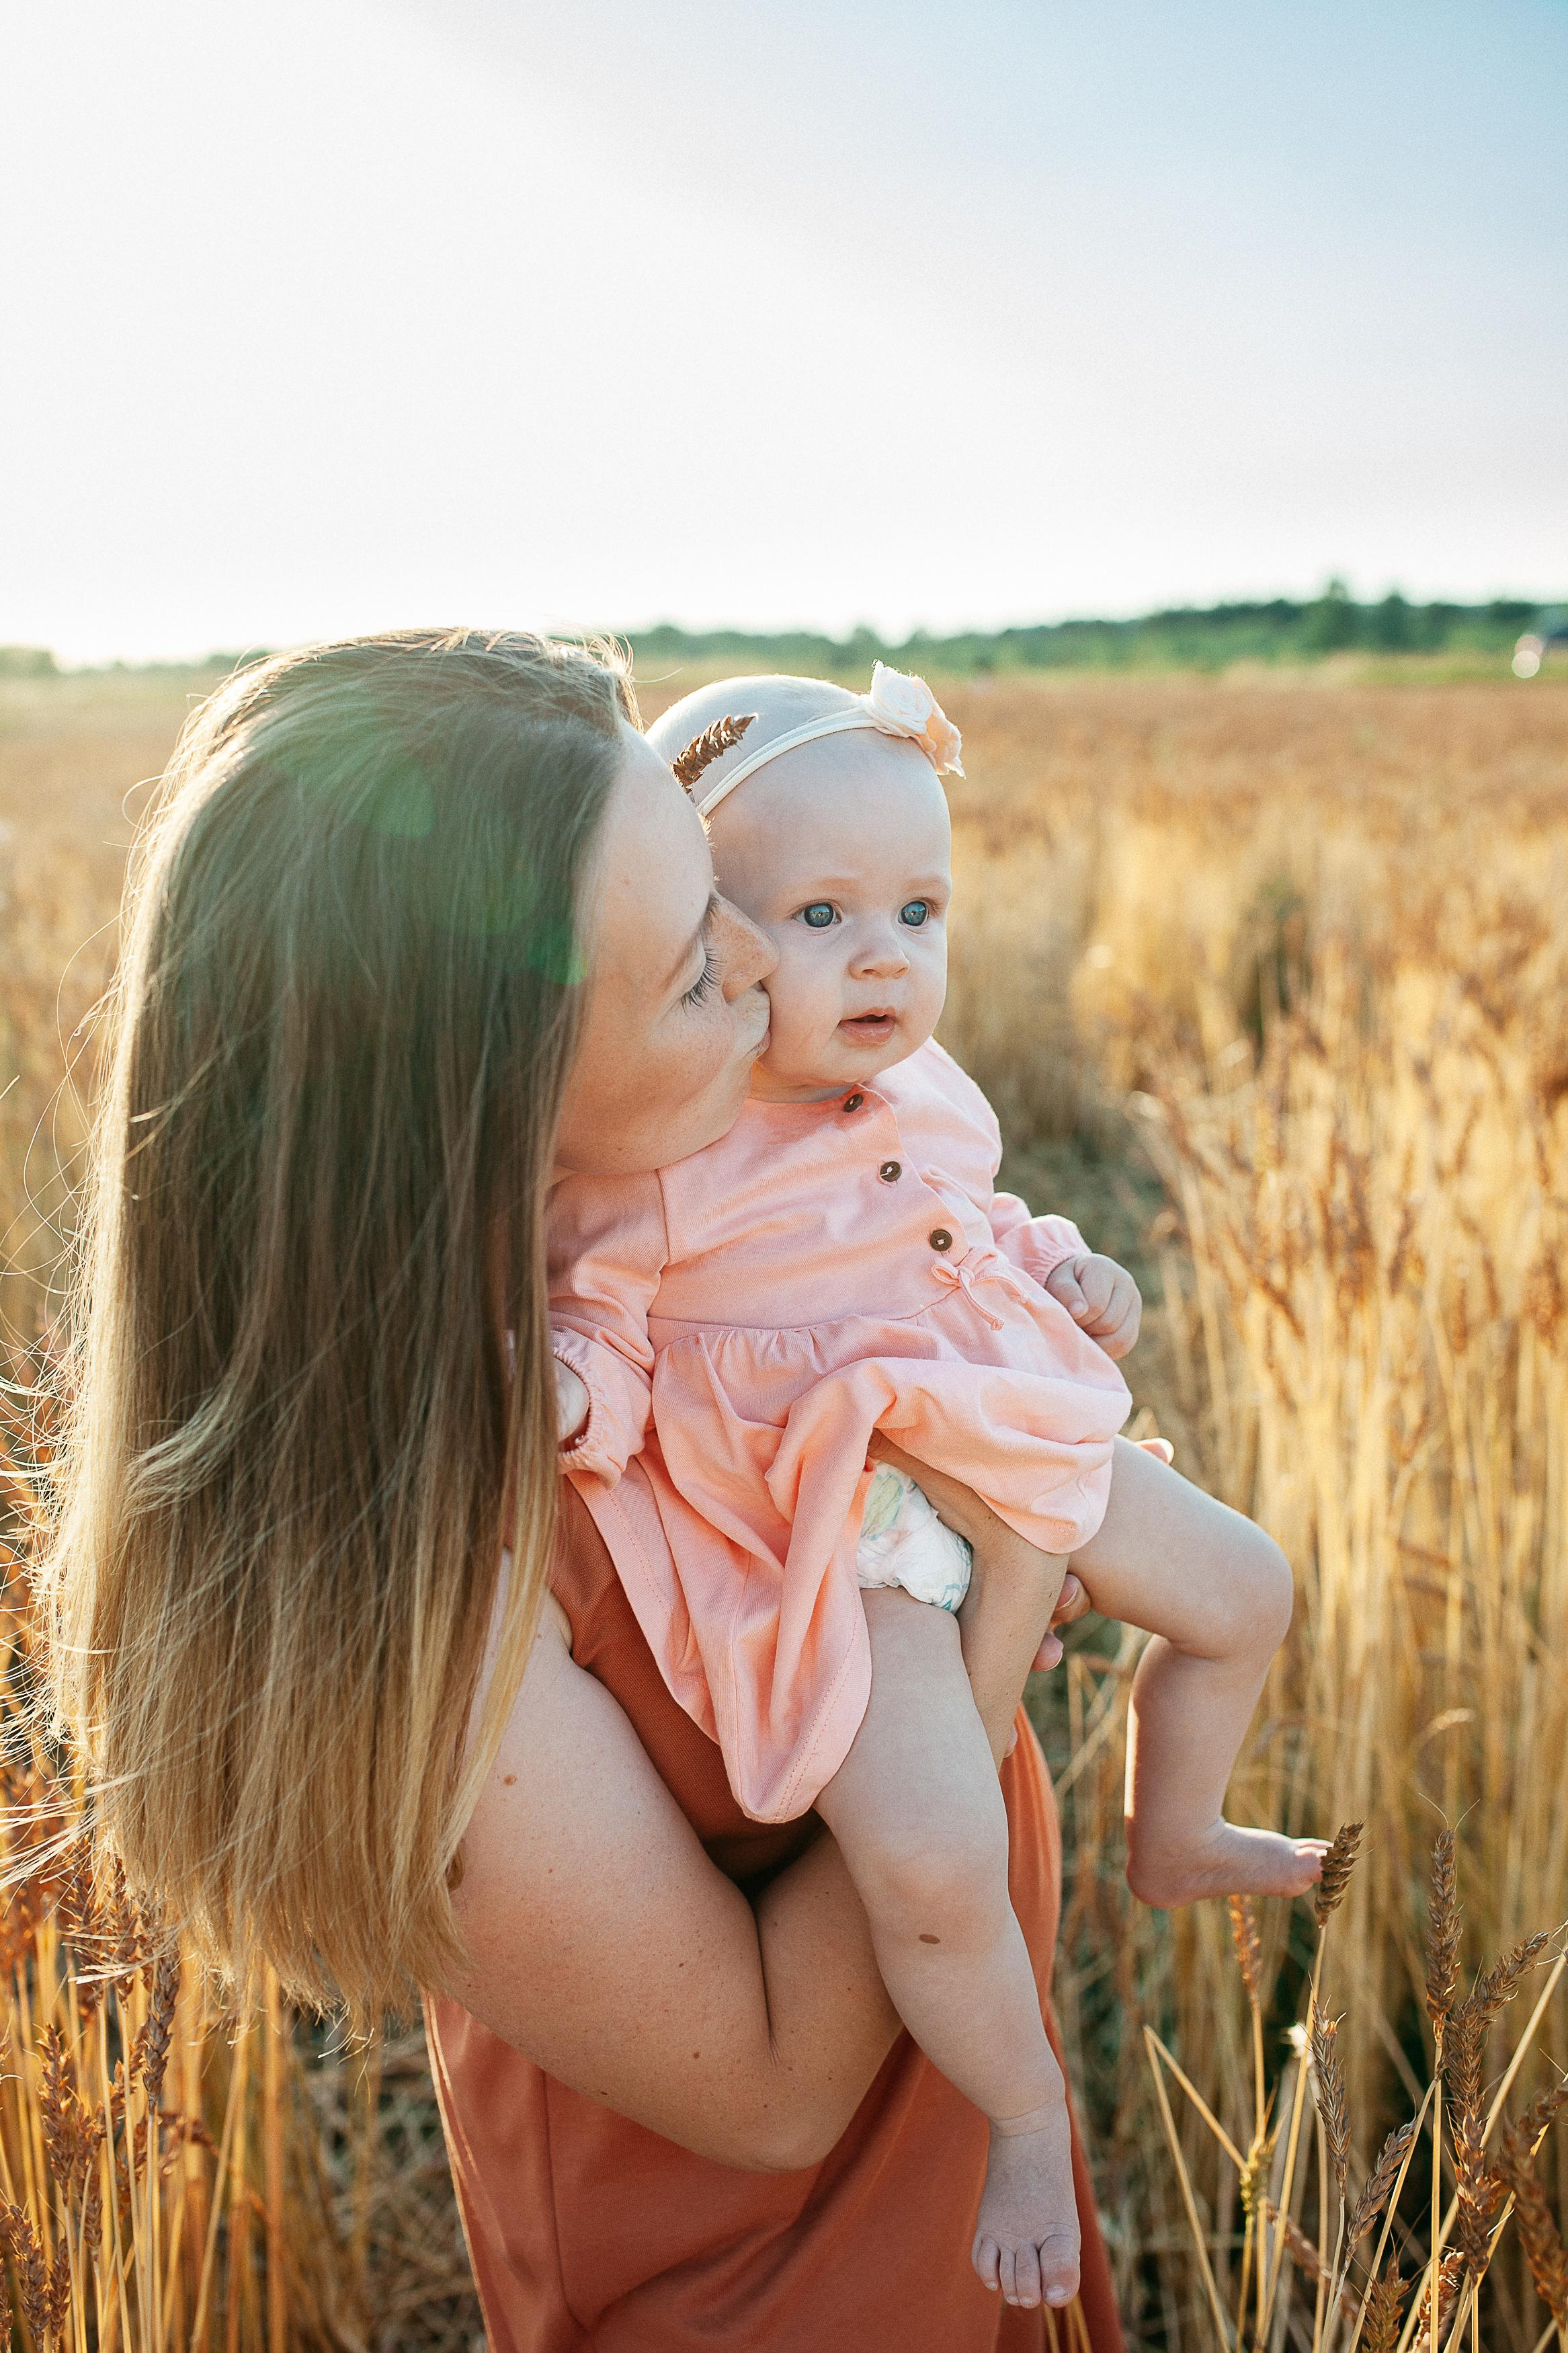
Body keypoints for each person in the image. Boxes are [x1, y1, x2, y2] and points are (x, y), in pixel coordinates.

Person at [39, 628, 1122, 2351]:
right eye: (703, 968)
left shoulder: (705, 1302)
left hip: (965, 2248)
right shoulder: (434, 1566)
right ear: (495, 1094)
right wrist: (996, 1593)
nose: (778, 974)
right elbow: (767, 2089)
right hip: (768, 2309)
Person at [548, 666, 1328, 2311]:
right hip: (852, 1511)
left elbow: (967, 1221)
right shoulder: (669, 1144)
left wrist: (1067, 1261)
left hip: (997, 1414)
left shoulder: (927, 1088)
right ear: (714, 944)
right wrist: (569, 1392)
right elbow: (599, 1318)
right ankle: (1029, 2107)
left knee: (1249, 1587)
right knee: (928, 1854)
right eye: (822, 912)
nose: (886, 952)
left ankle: (1170, 1829)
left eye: (919, 906)